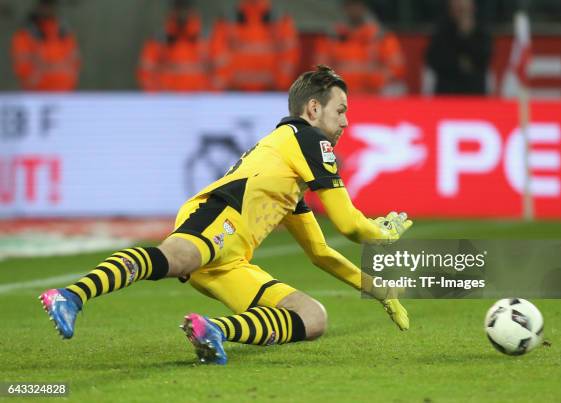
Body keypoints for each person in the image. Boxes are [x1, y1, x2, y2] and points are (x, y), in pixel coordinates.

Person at [40, 65, 412, 365]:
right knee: (177, 257)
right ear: (314, 109)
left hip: (232, 261)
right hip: (219, 218)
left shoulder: (289, 171)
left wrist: (377, 289)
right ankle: (71, 296)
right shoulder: (308, 139)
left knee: (312, 316)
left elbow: (319, 252)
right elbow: (348, 224)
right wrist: (379, 234)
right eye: (341, 110)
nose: (346, 122)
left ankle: (213, 330)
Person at [313, 0, 406, 95]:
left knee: (397, 88)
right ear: (344, 7)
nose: (354, 9)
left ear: (365, 7)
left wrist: (375, 78)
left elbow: (397, 69)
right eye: (350, 5)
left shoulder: (380, 36)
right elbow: (320, 70)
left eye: (357, 4)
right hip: (340, 96)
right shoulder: (332, 36)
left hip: (375, 96)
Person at [209, 0, 299, 91]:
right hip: (235, 92)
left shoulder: (280, 20)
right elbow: (218, 57)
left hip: (270, 92)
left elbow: (289, 55)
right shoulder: (228, 21)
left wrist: (281, 85)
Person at [137, 0, 211, 92]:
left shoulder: (206, 38)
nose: (182, 13)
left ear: (192, 11)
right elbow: (146, 70)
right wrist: (154, 97)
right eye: (179, 8)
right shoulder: (159, 39)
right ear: (173, 11)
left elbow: (217, 71)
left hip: (201, 99)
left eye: (185, 8)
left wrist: (210, 97)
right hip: (166, 98)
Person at [425, 0, 491, 95]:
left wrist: (466, 35)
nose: (461, 10)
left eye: (464, 6)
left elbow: (483, 60)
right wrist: (461, 64)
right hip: (447, 92)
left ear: (473, 7)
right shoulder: (442, 29)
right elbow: (433, 59)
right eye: (457, 6)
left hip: (475, 93)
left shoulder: (481, 30)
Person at [11, 0, 80, 91]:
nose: (47, 9)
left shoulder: (65, 34)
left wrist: (46, 65)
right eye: (44, 5)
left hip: (65, 94)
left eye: (50, 5)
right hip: (35, 97)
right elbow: (23, 68)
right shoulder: (25, 35)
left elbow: (75, 62)